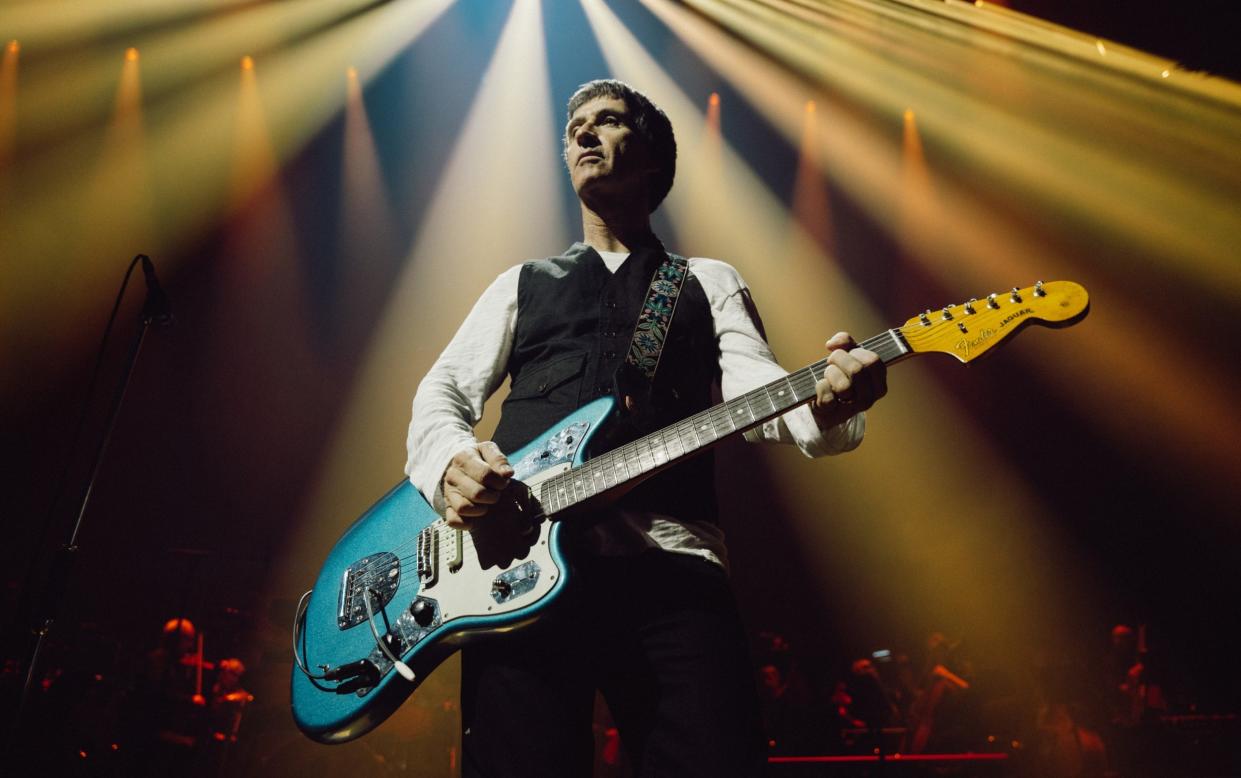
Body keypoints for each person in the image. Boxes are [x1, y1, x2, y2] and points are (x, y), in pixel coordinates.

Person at [405, 79, 887, 778]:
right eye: (574, 127)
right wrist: (450, 463)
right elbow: (441, 392)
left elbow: (756, 390)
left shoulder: (705, 279)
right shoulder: (521, 283)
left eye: (607, 121)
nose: (582, 134)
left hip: (670, 564)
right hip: (514, 577)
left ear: (654, 160)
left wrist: (829, 402)